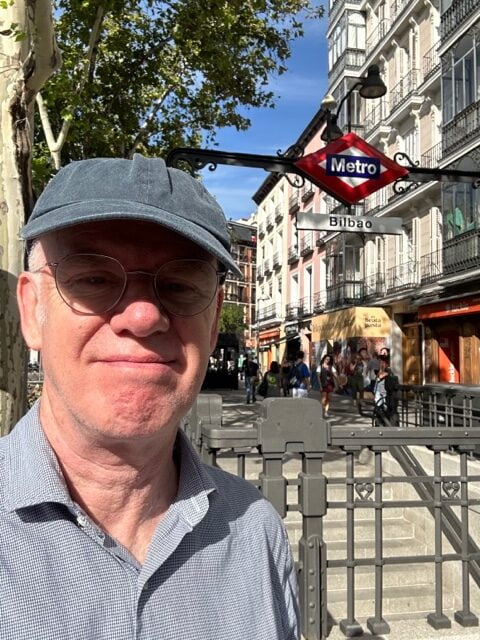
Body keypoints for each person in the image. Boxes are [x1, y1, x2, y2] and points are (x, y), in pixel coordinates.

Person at [2, 155, 298, 640]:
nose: (142, 317)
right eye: (93, 279)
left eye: (181, 286)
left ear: (214, 315)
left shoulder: (255, 532)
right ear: (32, 310)